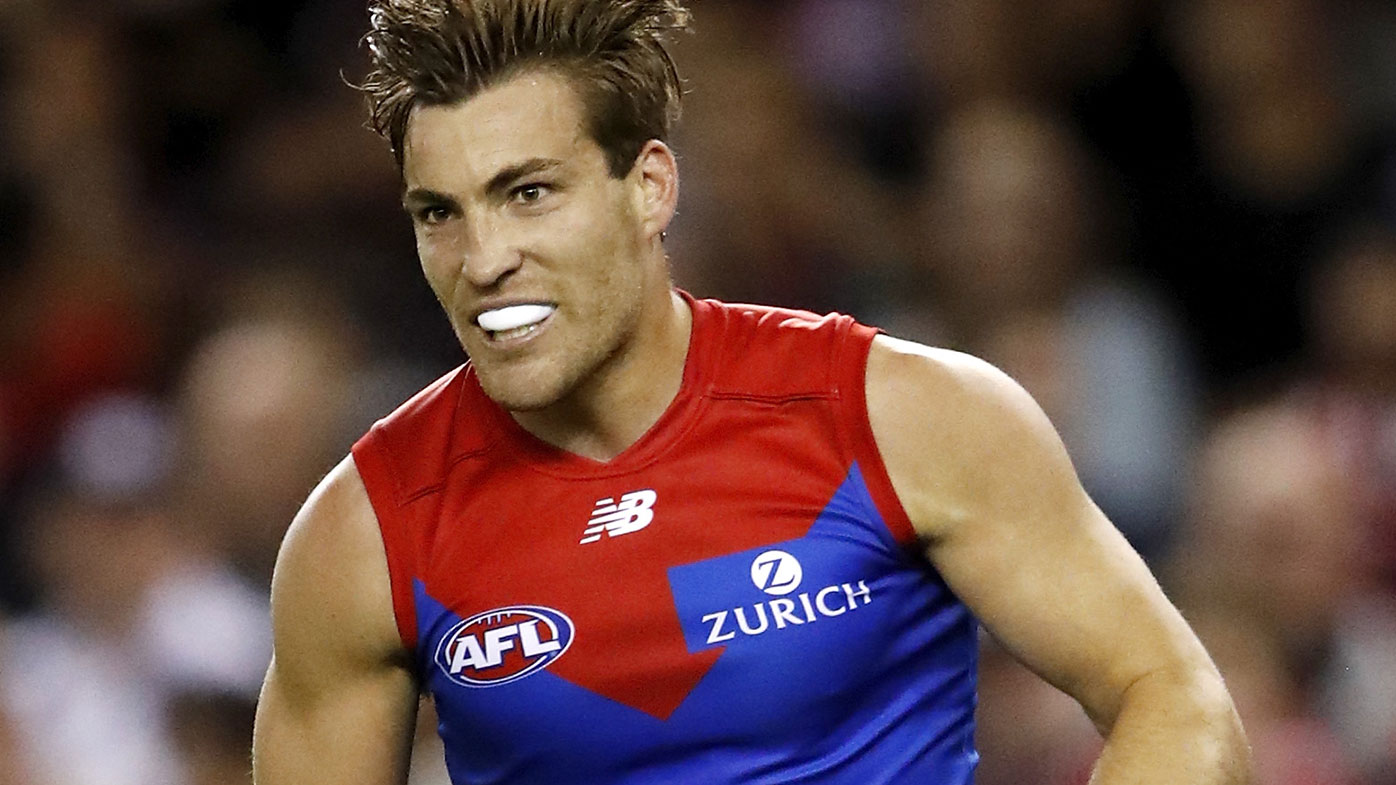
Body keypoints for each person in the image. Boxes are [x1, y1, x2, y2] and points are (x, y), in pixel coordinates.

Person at [251, 1, 1250, 783]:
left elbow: (1172, 694)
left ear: (648, 188)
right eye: (440, 212)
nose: (484, 258)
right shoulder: (365, 535)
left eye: (529, 193)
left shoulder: (899, 416)